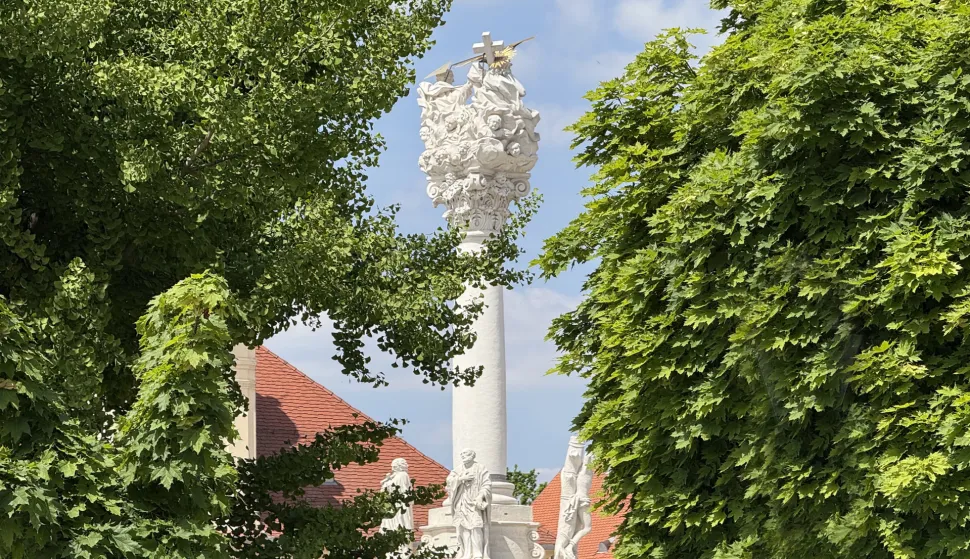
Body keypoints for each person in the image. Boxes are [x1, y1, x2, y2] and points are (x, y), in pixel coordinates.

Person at [446, 448, 491, 559]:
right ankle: (466, 553)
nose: (463, 456)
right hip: (461, 502)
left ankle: (477, 553)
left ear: (472, 456)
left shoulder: (480, 469)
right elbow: (449, 481)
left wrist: (481, 496)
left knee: (476, 526)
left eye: (465, 455)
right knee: (463, 528)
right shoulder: (458, 469)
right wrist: (461, 478)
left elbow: (487, 484)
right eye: (461, 455)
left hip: (475, 502)